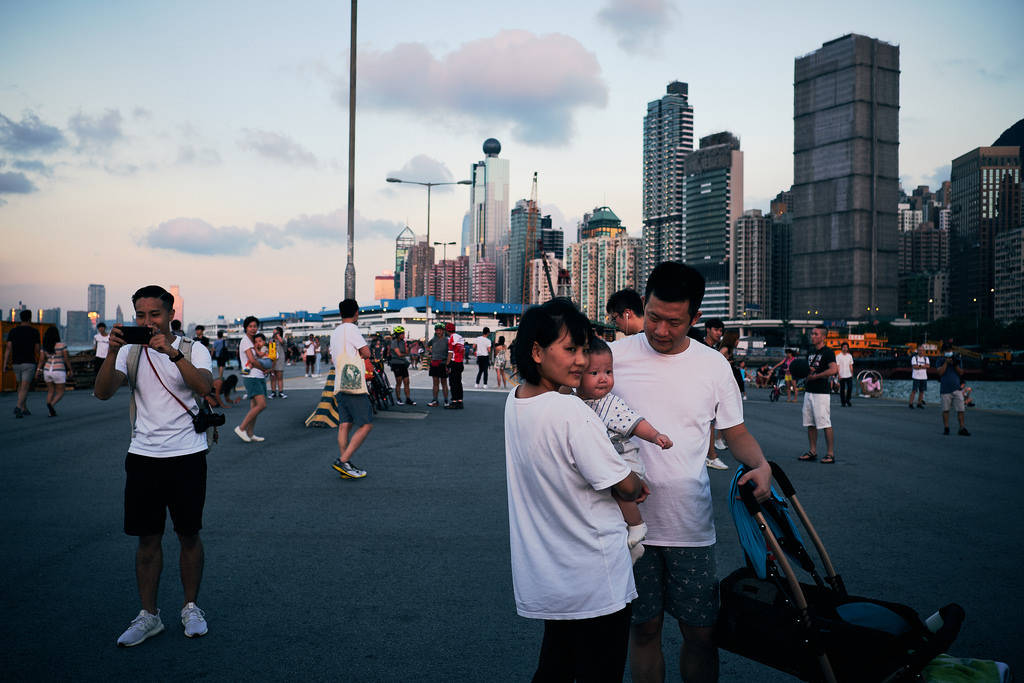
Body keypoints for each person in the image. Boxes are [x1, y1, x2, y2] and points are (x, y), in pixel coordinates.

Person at [610, 261, 771, 683]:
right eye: (654, 317)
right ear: (643, 304)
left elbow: (734, 432)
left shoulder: (713, 366)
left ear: (695, 318)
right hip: (627, 524)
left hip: (690, 525)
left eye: (674, 322)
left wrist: (760, 464)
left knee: (701, 633)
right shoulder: (612, 357)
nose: (661, 330)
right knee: (643, 628)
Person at [504, 297, 646, 681]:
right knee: (599, 672)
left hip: (551, 574)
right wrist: (638, 481)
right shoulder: (570, 411)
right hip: (594, 574)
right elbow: (624, 485)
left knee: (555, 668)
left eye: (584, 349)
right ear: (537, 351)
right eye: (570, 349)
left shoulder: (515, 401)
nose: (582, 361)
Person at [93, 284, 214, 647]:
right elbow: (102, 392)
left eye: (154, 315)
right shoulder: (129, 352)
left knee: (188, 534)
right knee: (147, 539)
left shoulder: (194, 349)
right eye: (140, 316)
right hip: (143, 456)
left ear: (170, 315)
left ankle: (191, 606)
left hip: (187, 455)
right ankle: (149, 615)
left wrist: (172, 354)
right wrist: (113, 350)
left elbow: (204, 386)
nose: (147, 322)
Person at [577, 337, 673, 565]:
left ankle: (637, 527)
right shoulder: (574, 400)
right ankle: (631, 547)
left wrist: (655, 435)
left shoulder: (610, 404)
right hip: (606, 465)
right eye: (594, 373)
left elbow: (636, 422)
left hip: (625, 463)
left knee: (620, 493)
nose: (603, 379)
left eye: (608, 372)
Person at [329, 299, 372, 478]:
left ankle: (345, 464)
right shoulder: (352, 329)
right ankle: (343, 461)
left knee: (344, 424)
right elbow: (367, 352)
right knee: (366, 424)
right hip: (353, 381)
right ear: (356, 313)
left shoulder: (335, 332)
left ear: (340, 314)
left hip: (339, 381)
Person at [798, 326, 839, 464]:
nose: (813, 336)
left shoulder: (828, 352)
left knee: (825, 422)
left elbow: (833, 369)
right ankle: (812, 451)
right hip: (809, 391)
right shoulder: (810, 351)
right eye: (812, 334)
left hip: (821, 392)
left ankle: (830, 453)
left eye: (816, 334)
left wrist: (817, 376)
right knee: (810, 422)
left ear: (823, 337)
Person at [234, 316, 267, 443]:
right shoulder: (246, 341)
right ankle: (241, 428)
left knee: (254, 406)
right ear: (246, 328)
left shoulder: (253, 341)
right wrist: (264, 368)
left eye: (255, 326)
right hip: (252, 377)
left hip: (258, 376)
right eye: (250, 326)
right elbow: (252, 360)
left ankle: (250, 432)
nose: (253, 329)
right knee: (261, 405)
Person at [702, 319, 729, 470]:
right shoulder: (701, 347)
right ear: (708, 329)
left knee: (710, 423)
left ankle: (709, 454)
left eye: (721, 331)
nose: (719, 334)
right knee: (710, 423)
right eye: (716, 330)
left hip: (712, 389)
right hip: (704, 389)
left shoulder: (714, 348)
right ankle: (712, 456)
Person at [5, 310, 41, 418]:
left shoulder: (13, 331)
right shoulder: (34, 332)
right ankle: (18, 407)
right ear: (30, 318)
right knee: (25, 387)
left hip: (16, 362)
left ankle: (24, 409)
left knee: (20, 385)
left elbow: (8, 348)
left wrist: (4, 364)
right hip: (29, 363)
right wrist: (41, 361)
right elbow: (38, 349)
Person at [37, 326, 73, 417]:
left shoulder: (44, 346)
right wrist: (70, 369)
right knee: (60, 392)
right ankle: (51, 405)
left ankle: (50, 412)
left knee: (50, 390)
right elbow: (66, 359)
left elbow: (41, 359)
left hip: (47, 370)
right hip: (59, 370)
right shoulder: (62, 345)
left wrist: (38, 370)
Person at [939, 343, 970, 436]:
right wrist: (946, 362)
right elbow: (940, 372)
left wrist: (954, 364)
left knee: (961, 409)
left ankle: (962, 427)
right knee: (946, 410)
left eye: (949, 350)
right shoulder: (940, 360)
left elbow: (961, 373)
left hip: (956, 388)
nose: (948, 352)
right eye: (946, 351)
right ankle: (946, 428)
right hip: (945, 389)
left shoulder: (957, 360)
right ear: (943, 352)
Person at [389, 326, 415, 405]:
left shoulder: (403, 342)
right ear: (397, 334)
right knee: (399, 381)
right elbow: (399, 354)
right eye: (402, 333)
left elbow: (406, 352)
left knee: (407, 381)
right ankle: (398, 398)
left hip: (403, 363)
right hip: (396, 363)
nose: (403, 335)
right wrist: (404, 354)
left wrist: (407, 346)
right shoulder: (394, 342)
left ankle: (408, 398)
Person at [426, 323, 450, 407]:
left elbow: (450, 351)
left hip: (443, 363)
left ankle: (446, 400)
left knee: (444, 383)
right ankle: (435, 400)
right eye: (437, 330)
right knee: (435, 383)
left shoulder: (447, 340)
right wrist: (433, 352)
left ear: (443, 331)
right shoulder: (433, 339)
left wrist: (448, 363)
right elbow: (427, 346)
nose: (438, 332)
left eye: (440, 330)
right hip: (434, 362)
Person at [445, 323, 466, 409]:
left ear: (447, 330)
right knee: (458, 382)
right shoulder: (460, 338)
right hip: (460, 362)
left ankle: (454, 401)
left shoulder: (451, 338)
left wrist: (447, 364)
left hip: (453, 362)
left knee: (453, 383)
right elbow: (463, 351)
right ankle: (460, 400)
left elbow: (450, 353)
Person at [836, 342, 855, 407]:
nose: (845, 348)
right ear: (841, 348)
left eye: (846, 347)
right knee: (842, 389)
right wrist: (838, 374)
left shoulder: (850, 356)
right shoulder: (838, 356)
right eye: (844, 347)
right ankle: (843, 402)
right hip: (842, 374)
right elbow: (837, 366)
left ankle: (848, 399)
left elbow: (851, 365)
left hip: (848, 374)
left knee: (850, 388)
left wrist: (852, 373)